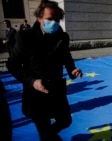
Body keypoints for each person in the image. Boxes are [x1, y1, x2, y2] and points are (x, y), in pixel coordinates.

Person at [6, 1, 83, 140]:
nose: (53, 23)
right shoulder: (25, 37)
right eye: (49, 19)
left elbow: (66, 56)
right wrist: (32, 81)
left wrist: (72, 70)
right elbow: (12, 64)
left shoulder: (62, 37)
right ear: (39, 18)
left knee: (66, 121)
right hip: (36, 94)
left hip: (56, 90)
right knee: (45, 132)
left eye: (57, 19)